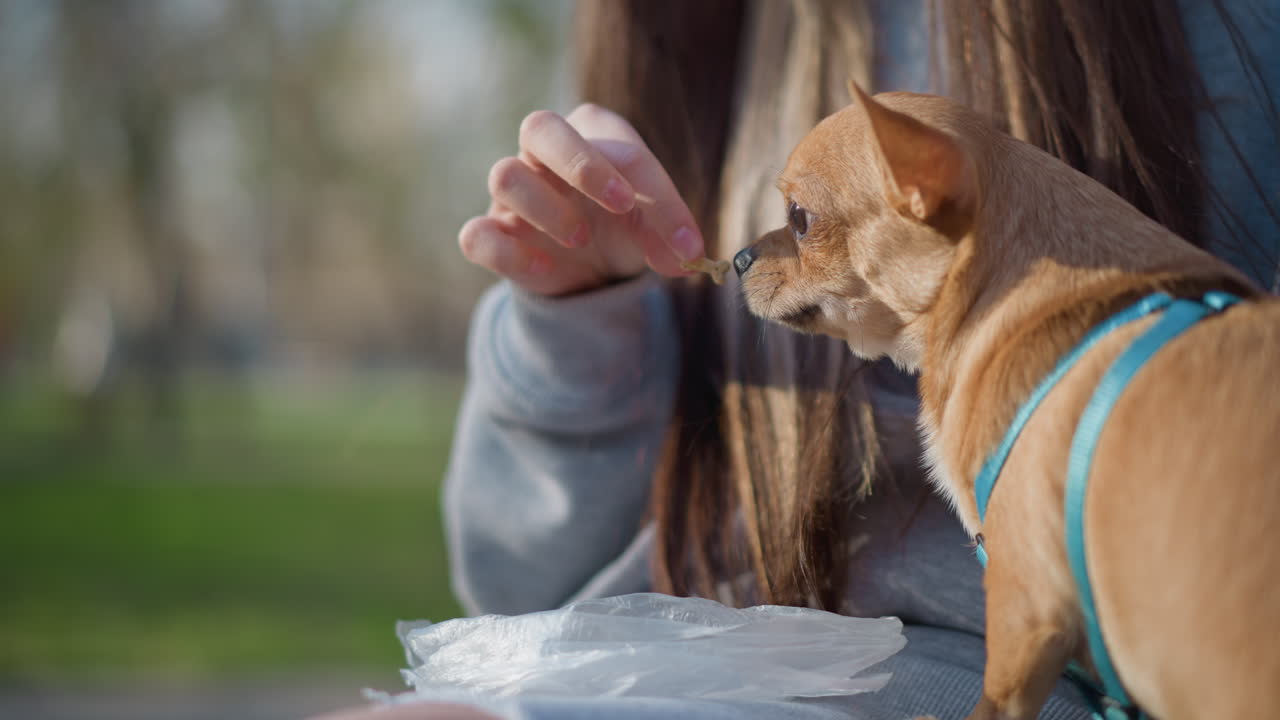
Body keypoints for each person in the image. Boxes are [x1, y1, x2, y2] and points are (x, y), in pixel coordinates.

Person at [318, 1, 1278, 719]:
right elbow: (514, 587)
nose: (759, 252)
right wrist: (576, 318)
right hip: (705, 638)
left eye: (804, 224)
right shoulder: (675, 36)